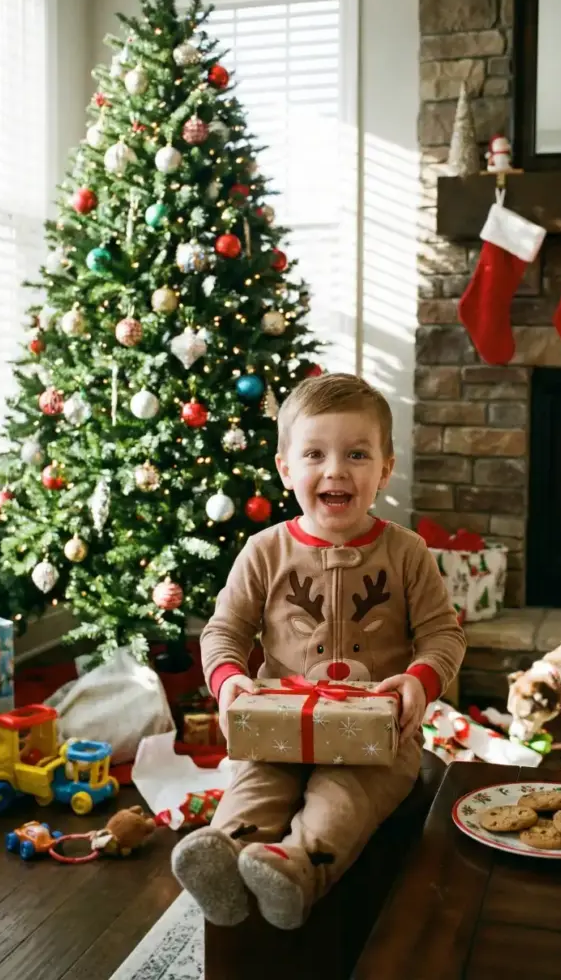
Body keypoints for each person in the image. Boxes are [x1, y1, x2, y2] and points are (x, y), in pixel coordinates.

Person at [172, 373, 466, 930]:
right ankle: (226, 863)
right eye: (315, 454)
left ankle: (299, 868)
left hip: (377, 738)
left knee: (344, 797)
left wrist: (419, 681)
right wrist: (230, 678)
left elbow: (443, 634)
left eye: (357, 454)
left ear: (385, 468)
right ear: (286, 469)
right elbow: (223, 630)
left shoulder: (407, 554)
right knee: (258, 786)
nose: (335, 470)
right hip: (278, 726)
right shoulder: (264, 551)